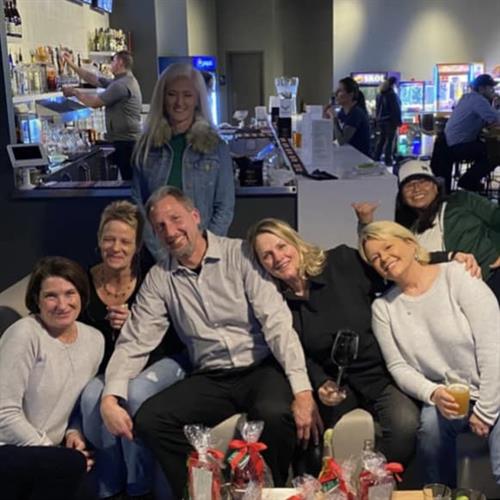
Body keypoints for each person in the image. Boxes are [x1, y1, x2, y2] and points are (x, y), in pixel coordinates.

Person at [100, 186, 319, 498]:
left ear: (195, 216)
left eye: (176, 219)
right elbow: (136, 341)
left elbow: (277, 324)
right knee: (150, 420)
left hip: (259, 367)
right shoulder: (160, 278)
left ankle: (269, 492)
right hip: (211, 376)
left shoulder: (240, 254)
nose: (170, 231)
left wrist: (302, 390)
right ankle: (202, 491)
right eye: (160, 226)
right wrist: (110, 397)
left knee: (274, 413)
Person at [248, 218, 421, 474]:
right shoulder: (276, 304)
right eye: (267, 255)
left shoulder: (342, 261)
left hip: (380, 375)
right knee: (309, 432)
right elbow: (298, 354)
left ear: (295, 242)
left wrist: (448, 257)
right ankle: (312, 486)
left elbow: (395, 268)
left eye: (281, 246)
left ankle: (374, 481)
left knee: (405, 424)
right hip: (334, 383)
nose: (278, 258)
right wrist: (320, 383)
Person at [359, 220, 500, 487]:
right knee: (431, 432)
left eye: (388, 247)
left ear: (411, 244)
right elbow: (398, 366)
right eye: (375, 258)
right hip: (448, 396)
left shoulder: (457, 275)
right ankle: (439, 493)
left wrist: (486, 410)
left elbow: (493, 345)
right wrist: (432, 393)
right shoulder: (383, 308)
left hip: (495, 388)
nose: (384, 259)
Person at [79, 200, 187, 499]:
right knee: (91, 397)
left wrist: (137, 325)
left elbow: (174, 335)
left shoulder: (153, 278)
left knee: (133, 394)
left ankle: (138, 486)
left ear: (138, 246)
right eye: (109, 239)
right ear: (99, 240)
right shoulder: (83, 281)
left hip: (160, 359)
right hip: (111, 367)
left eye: (125, 241)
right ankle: (109, 486)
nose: (116, 247)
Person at [0, 256, 104, 500]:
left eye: (70, 293)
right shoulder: (24, 333)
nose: (62, 304)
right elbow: (3, 412)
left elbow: (77, 403)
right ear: (37, 300)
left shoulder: (95, 339)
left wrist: (74, 432)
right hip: (8, 447)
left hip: (52, 453)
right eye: (51, 296)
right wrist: (52, 451)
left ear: (82, 295)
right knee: (71, 467)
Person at [353, 160, 500, 302]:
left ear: (436, 187)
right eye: (409, 185)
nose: (417, 189)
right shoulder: (408, 233)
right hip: (447, 297)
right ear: (402, 197)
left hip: (488, 278)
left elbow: (496, 216)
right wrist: (365, 223)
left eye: (423, 182)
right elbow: (376, 253)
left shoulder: (461, 201)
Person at [132, 62, 235, 263]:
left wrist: (203, 252)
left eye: (187, 95)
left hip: (204, 257)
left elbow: (224, 207)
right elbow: (139, 206)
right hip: (157, 256)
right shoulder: (146, 146)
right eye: (172, 94)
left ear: (197, 100)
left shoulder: (216, 147)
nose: (179, 103)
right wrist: (161, 254)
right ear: (162, 98)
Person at [61, 50, 142, 181]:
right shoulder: (123, 80)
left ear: (120, 63)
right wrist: (71, 64)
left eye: (113, 61)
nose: (110, 65)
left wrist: (75, 92)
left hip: (127, 143)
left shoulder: (121, 85)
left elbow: (94, 103)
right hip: (126, 141)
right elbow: (94, 79)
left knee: (129, 182)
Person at [436, 73, 500, 192]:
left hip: (448, 144)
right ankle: (469, 180)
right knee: (495, 153)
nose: (493, 90)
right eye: (490, 87)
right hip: (459, 146)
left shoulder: (467, 97)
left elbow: (489, 119)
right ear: (481, 88)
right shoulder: (479, 100)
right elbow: (495, 119)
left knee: (490, 150)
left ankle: (471, 180)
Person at [329, 76, 371, 157]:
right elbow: (335, 136)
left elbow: (342, 140)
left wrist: (333, 118)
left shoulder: (356, 113)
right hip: (349, 156)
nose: (336, 93)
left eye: (340, 90)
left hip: (360, 159)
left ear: (350, 95)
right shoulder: (342, 112)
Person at [373, 76, 402, 166]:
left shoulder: (379, 95)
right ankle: (388, 160)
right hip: (390, 121)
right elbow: (396, 109)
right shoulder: (392, 95)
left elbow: (377, 109)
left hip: (381, 121)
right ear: (393, 85)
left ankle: (376, 157)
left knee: (381, 140)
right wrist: (398, 121)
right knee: (390, 141)